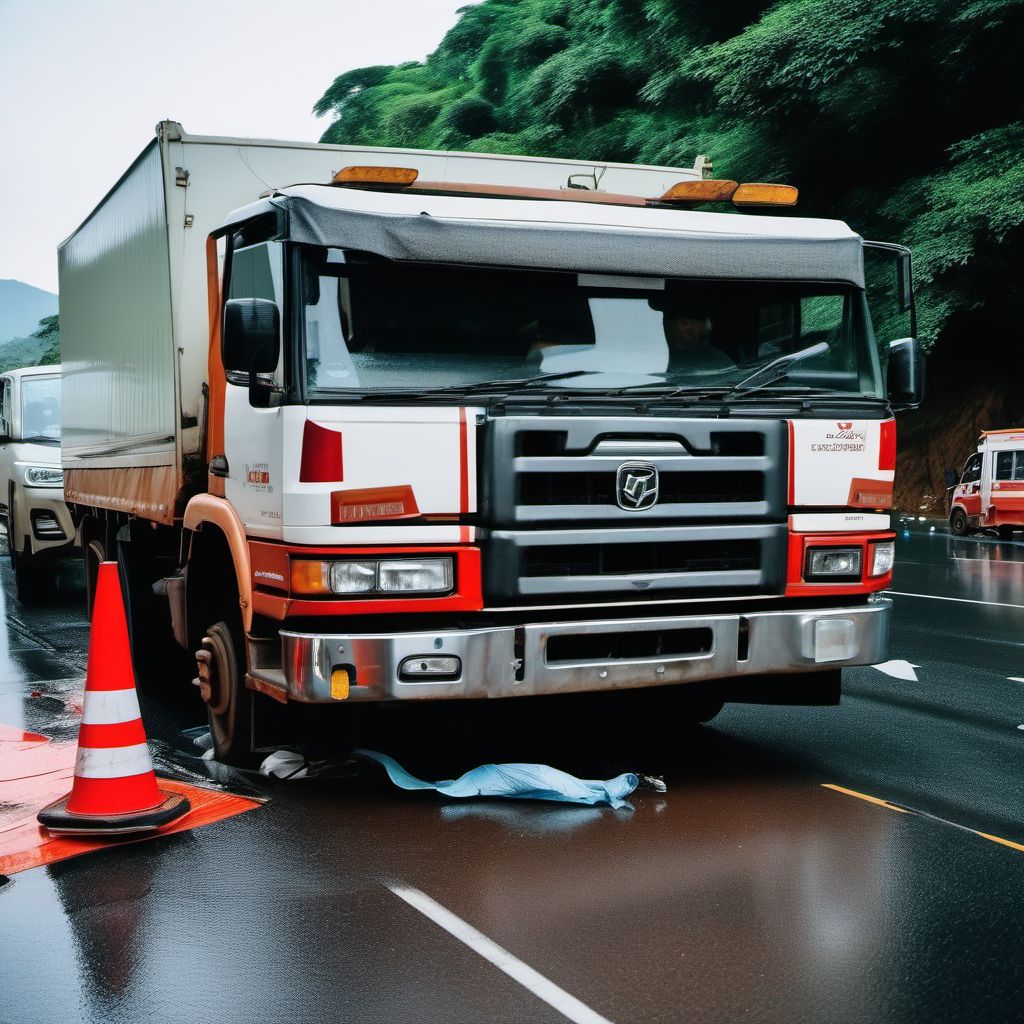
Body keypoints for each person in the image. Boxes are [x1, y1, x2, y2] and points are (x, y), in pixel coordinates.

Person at [660, 302, 735, 373]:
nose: (679, 327)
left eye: (690, 319)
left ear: (706, 326)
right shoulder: (653, 358)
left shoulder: (719, 362)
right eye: (670, 317)